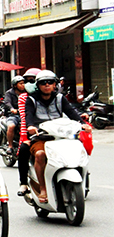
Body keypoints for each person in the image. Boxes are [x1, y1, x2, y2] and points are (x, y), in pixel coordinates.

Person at [25, 70, 91, 203]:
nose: (47, 85)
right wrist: (31, 126)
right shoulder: (31, 99)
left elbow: (72, 113)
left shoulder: (60, 98)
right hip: (41, 137)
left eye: (50, 82)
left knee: (77, 149)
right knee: (39, 154)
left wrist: (83, 124)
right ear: (38, 85)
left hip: (61, 136)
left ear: (55, 84)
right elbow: (29, 116)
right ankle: (43, 188)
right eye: (43, 83)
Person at [17, 68, 41, 196]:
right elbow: (25, 118)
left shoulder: (54, 96)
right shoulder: (24, 98)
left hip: (53, 132)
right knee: (24, 151)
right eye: (27, 81)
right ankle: (23, 183)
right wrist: (26, 136)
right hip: (32, 134)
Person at [3, 76, 25, 155]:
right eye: (21, 83)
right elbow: (7, 102)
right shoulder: (9, 93)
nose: (23, 85)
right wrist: (12, 109)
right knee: (11, 126)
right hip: (13, 115)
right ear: (15, 85)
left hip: (25, 115)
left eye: (24, 83)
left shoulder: (27, 92)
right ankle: (10, 146)